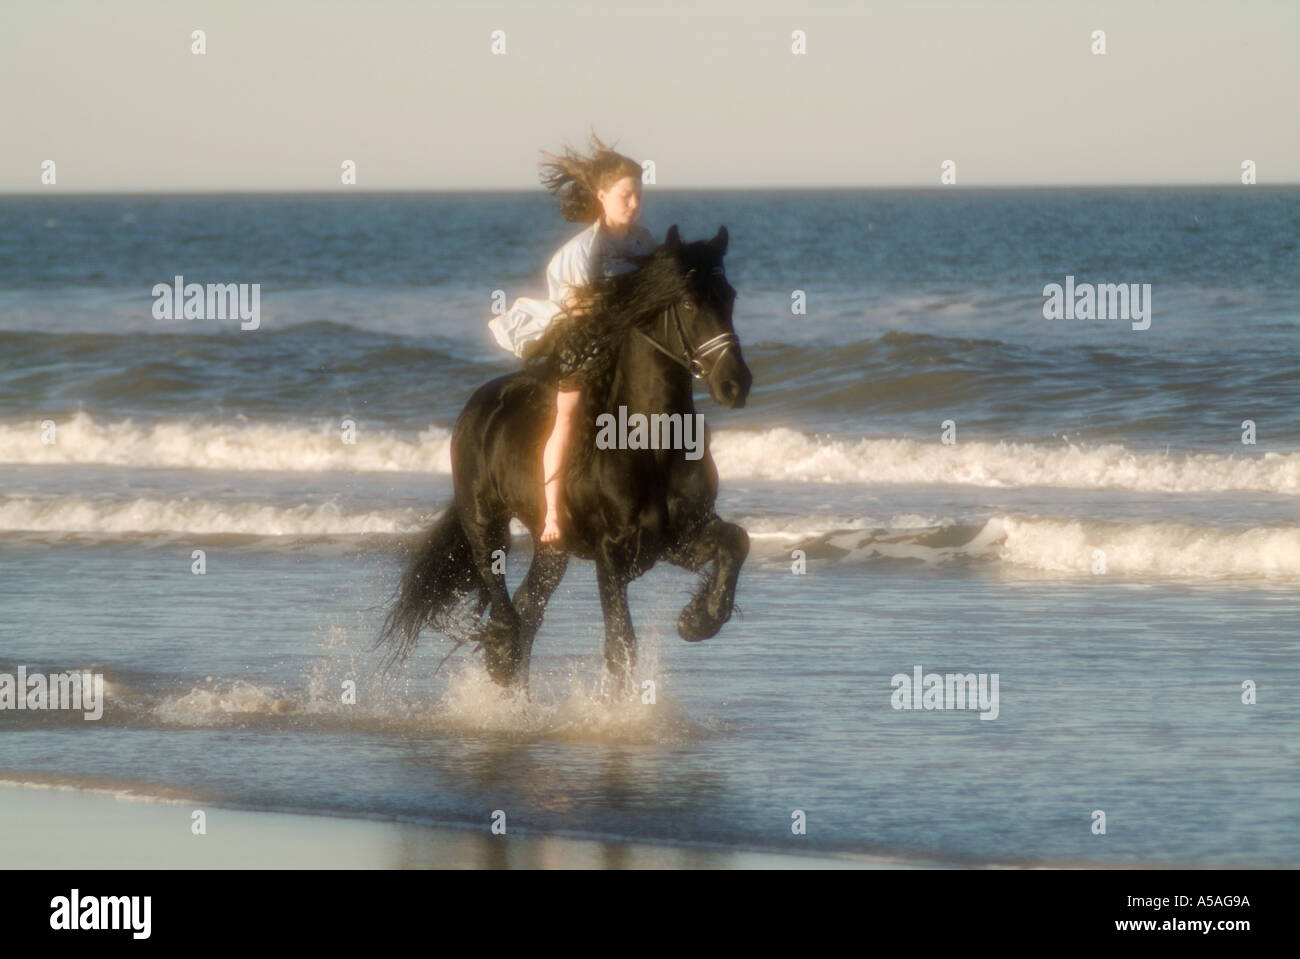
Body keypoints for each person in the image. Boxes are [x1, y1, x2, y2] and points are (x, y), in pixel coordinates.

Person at [532, 134, 656, 545]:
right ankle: (552, 513)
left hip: (630, 340)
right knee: (569, 412)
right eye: (626, 196)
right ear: (602, 196)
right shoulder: (585, 250)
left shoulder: (644, 241)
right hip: (580, 337)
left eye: (638, 195)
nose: (634, 203)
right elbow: (582, 312)